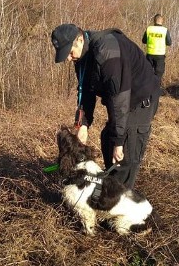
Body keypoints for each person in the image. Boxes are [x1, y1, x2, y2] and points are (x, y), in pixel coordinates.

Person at [51, 23, 161, 189]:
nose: (68, 58)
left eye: (69, 52)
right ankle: (111, 189)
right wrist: (83, 125)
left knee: (123, 155)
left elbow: (120, 99)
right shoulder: (82, 57)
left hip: (139, 100)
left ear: (80, 40)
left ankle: (121, 202)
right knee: (107, 141)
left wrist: (119, 141)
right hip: (121, 101)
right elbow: (85, 91)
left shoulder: (107, 52)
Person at [142, 13, 172, 84]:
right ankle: (156, 89)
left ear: (154, 21)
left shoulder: (149, 29)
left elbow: (143, 41)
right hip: (160, 55)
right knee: (158, 74)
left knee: (148, 73)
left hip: (149, 55)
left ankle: (148, 88)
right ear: (162, 21)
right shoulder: (165, 30)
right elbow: (169, 43)